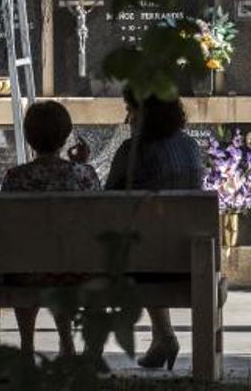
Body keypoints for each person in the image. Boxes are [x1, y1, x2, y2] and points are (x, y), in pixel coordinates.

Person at [106, 88, 204, 370]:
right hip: (189, 260)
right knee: (153, 240)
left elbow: (106, 203)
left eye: (130, 109)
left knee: (136, 242)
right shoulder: (190, 147)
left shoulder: (132, 150)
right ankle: (164, 337)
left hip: (141, 263)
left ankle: (164, 337)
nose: (127, 119)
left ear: (144, 113)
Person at [0, 100, 100, 357]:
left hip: (27, 272)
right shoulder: (84, 174)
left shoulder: (15, 177)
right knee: (61, 253)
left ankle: (27, 346)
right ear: (66, 136)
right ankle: (67, 342)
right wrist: (82, 163)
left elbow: (8, 227)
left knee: (29, 256)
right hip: (77, 270)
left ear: (29, 137)